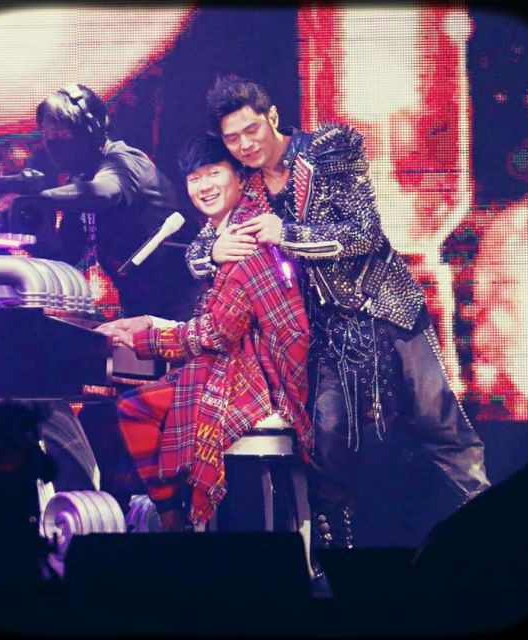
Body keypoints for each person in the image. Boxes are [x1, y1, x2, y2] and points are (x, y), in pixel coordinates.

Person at [186, 75, 491, 548]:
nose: (245, 145)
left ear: (271, 117)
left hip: (384, 306)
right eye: (232, 139)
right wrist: (213, 250)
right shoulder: (246, 187)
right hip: (324, 333)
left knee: (439, 421)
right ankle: (337, 558)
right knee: (327, 441)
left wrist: (287, 234)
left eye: (251, 130)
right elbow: (198, 250)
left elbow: (363, 234)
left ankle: (492, 528)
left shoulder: (328, 151)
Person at [96, 133, 312, 529]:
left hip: (258, 379)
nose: (204, 186)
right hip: (240, 363)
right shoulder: (220, 236)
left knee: (134, 408)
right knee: (143, 404)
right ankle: (175, 516)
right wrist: (150, 324)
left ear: (240, 177)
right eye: (195, 178)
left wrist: (145, 340)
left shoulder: (246, 238)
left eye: (214, 173)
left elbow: (217, 334)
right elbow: (221, 323)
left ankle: (174, 523)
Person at [30, 83, 180, 318]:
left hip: (180, 306)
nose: (51, 142)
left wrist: (46, 199)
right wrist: (32, 233)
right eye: (47, 134)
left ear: (91, 129)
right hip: (138, 307)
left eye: (60, 133)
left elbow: (105, 192)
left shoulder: (124, 160)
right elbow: (67, 254)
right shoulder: (81, 178)